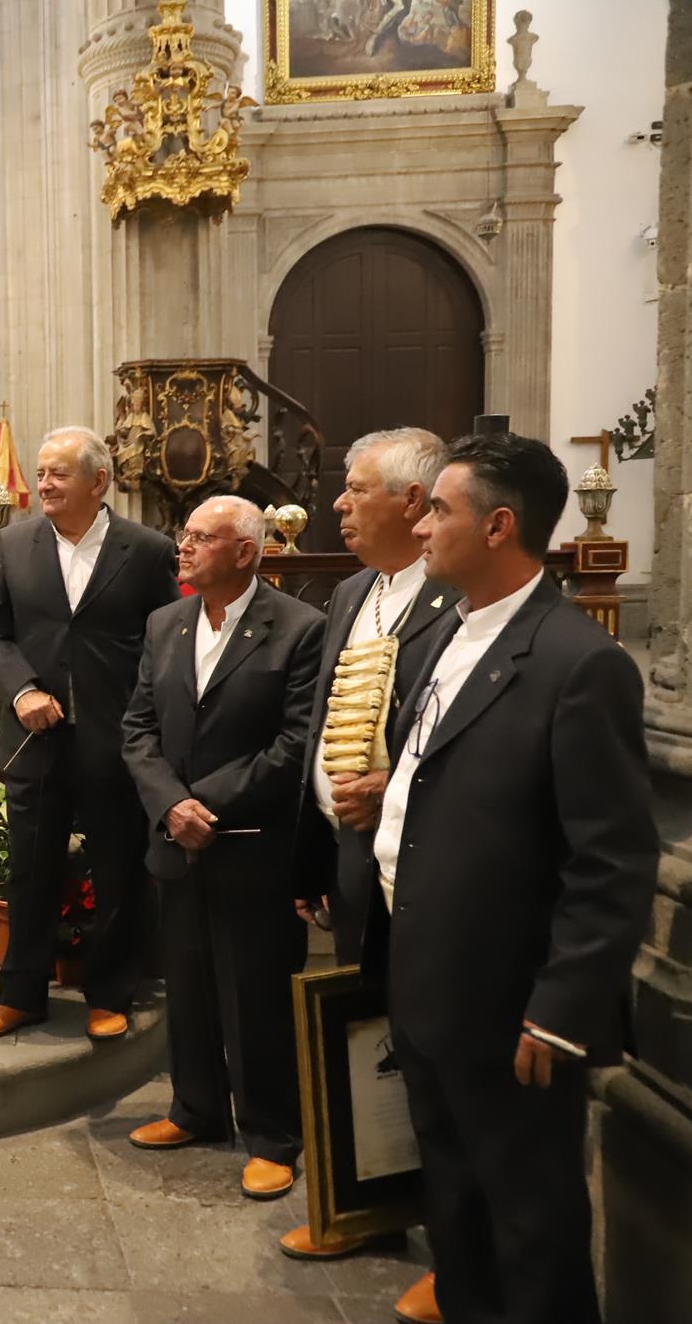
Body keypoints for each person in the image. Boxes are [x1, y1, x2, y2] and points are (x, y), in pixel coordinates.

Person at [370, 434, 656, 1324]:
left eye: (438, 510)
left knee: (529, 1227)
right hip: (429, 984)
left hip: (512, 1009)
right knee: (453, 1211)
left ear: (498, 526)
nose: (419, 525)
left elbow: (610, 860)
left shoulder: (578, 662)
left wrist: (560, 1009)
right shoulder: (439, 638)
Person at [279, 429, 458, 1308]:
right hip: (349, 853)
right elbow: (319, 727)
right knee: (363, 1037)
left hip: (418, 860)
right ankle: (368, 1206)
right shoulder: (351, 590)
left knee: (421, 1044)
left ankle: (450, 1242)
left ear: (411, 503)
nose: (337, 506)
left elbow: (448, 737)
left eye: (354, 491)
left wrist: (392, 784)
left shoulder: (452, 600)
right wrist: (311, 855)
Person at [119, 495, 323, 1200]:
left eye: (201, 538)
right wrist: (170, 804)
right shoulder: (163, 622)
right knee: (189, 980)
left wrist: (208, 800)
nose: (183, 547)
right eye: (184, 536)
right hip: (178, 838)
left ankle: (271, 1134)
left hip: (251, 843)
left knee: (255, 992)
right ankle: (195, 1108)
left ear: (244, 551)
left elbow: (296, 743)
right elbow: (136, 728)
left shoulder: (297, 628)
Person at [0, 426, 179, 1043]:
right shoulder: (13, 543)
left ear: (99, 482)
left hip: (116, 742)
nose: (45, 483)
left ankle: (110, 994)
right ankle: (21, 996)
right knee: (30, 870)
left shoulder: (146, 550)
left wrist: (141, 719)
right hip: (37, 738)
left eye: (60, 473)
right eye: (42, 472)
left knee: (118, 873)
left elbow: (165, 642)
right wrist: (24, 688)